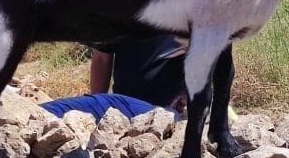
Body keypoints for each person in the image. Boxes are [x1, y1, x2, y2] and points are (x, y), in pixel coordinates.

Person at [43, 32, 187, 122]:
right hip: (120, 110)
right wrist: (98, 115)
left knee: (71, 108)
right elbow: (102, 57)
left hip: (162, 112)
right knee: (87, 106)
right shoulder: (122, 8)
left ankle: (36, 116)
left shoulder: (186, 7)